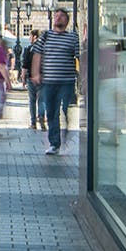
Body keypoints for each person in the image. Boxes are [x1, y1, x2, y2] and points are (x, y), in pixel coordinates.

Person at [30, 8, 81, 155]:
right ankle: (55, 143)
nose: (58, 18)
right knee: (52, 112)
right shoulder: (46, 36)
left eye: (61, 16)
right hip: (49, 81)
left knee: (65, 110)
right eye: (56, 16)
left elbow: (78, 57)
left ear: (67, 21)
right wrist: (35, 73)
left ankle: (64, 132)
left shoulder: (73, 37)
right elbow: (37, 54)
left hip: (67, 81)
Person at [25, 30, 44, 130]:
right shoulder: (44, 48)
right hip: (42, 77)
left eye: (30, 36)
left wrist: (23, 78)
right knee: (41, 100)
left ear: (35, 37)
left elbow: (25, 64)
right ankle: (41, 117)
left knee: (32, 101)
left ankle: (33, 123)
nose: (29, 38)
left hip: (31, 77)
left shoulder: (29, 49)